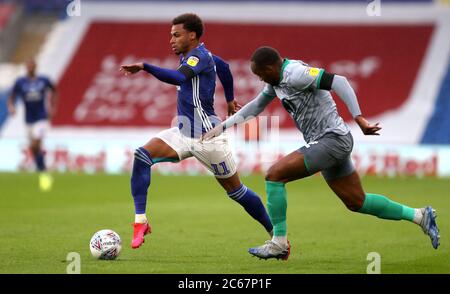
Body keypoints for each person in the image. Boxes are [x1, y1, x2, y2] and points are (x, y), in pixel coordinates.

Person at [202, 46, 440, 260]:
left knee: (274, 175)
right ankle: (420, 215)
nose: (260, 78)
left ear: (271, 67)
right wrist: (222, 127)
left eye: (261, 73)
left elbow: (340, 81)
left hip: (332, 140)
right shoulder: (276, 82)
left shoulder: (295, 73)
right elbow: (256, 105)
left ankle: (279, 243)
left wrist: (359, 118)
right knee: (357, 202)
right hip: (329, 142)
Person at [119, 13, 273, 249]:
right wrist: (230, 100)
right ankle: (140, 221)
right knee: (142, 155)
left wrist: (145, 66)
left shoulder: (198, 56)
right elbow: (224, 67)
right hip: (183, 132)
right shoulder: (202, 56)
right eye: (170, 35)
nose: (171, 40)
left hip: (207, 137)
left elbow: (178, 77)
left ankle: (276, 235)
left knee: (236, 191)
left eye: (176, 35)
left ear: (192, 35)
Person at [8, 59, 57, 191]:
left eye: (32, 65)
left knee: (36, 144)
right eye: (28, 66)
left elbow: (54, 90)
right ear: (26, 67)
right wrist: (11, 107)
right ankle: (44, 174)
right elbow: (11, 96)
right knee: (34, 149)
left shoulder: (43, 80)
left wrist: (53, 106)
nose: (30, 68)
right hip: (28, 120)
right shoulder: (20, 82)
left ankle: (43, 174)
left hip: (41, 119)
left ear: (35, 66)